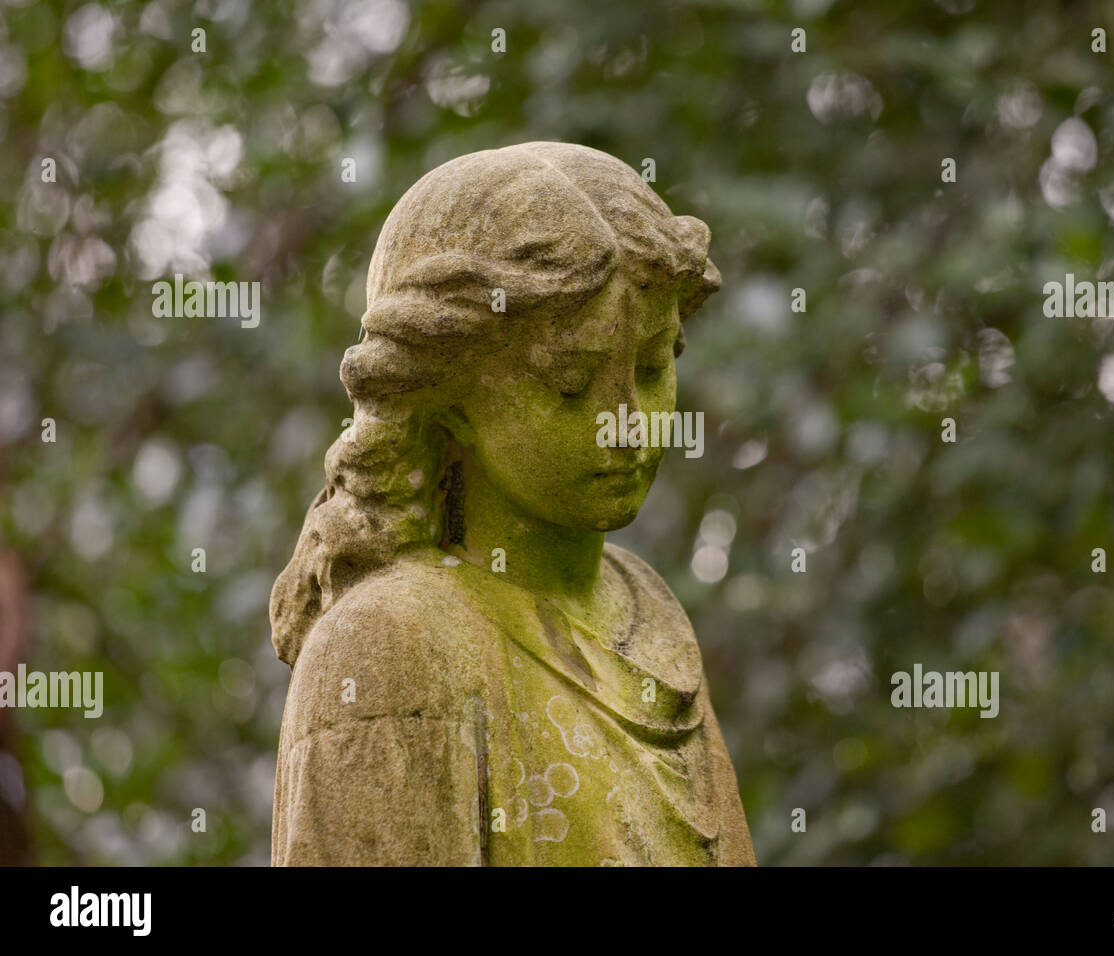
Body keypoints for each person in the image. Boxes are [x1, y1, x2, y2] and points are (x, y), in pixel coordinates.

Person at [270, 142, 755, 866]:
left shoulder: (648, 612)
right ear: (448, 394)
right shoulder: (389, 644)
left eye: (654, 367)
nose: (629, 420)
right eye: (569, 383)